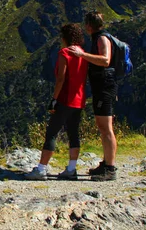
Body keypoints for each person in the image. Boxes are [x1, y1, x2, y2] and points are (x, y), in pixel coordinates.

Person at [25, 24, 88, 180]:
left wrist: (54, 99)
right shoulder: (83, 54)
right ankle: (71, 169)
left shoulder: (64, 53)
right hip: (79, 99)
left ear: (65, 37)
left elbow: (61, 78)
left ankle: (41, 170)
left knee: (52, 133)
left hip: (65, 98)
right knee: (73, 133)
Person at [68, 11, 118, 181]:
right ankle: (106, 163)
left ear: (89, 25)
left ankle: (110, 168)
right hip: (102, 86)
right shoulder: (99, 37)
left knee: (106, 128)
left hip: (104, 87)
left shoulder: (102, 38)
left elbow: (105, 60)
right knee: (103, 125)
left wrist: (82, 55)